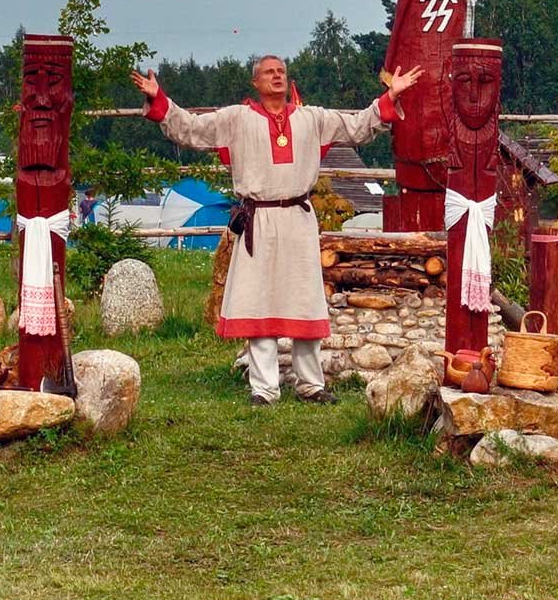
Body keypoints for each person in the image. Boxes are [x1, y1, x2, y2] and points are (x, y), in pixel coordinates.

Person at [131, 55, 422, 405]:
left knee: (305, 300)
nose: (277, 76)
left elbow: (357, 125)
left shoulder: (312, 118)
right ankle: (264, 388)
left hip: (298, 218)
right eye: (269, 72)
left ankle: (311, 384)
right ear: (256, 82)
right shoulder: (236, 119)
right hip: (258, 219)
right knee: (258, 301)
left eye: (281, 71)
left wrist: (391, 96)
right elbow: (193, 128)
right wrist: (160, 99)